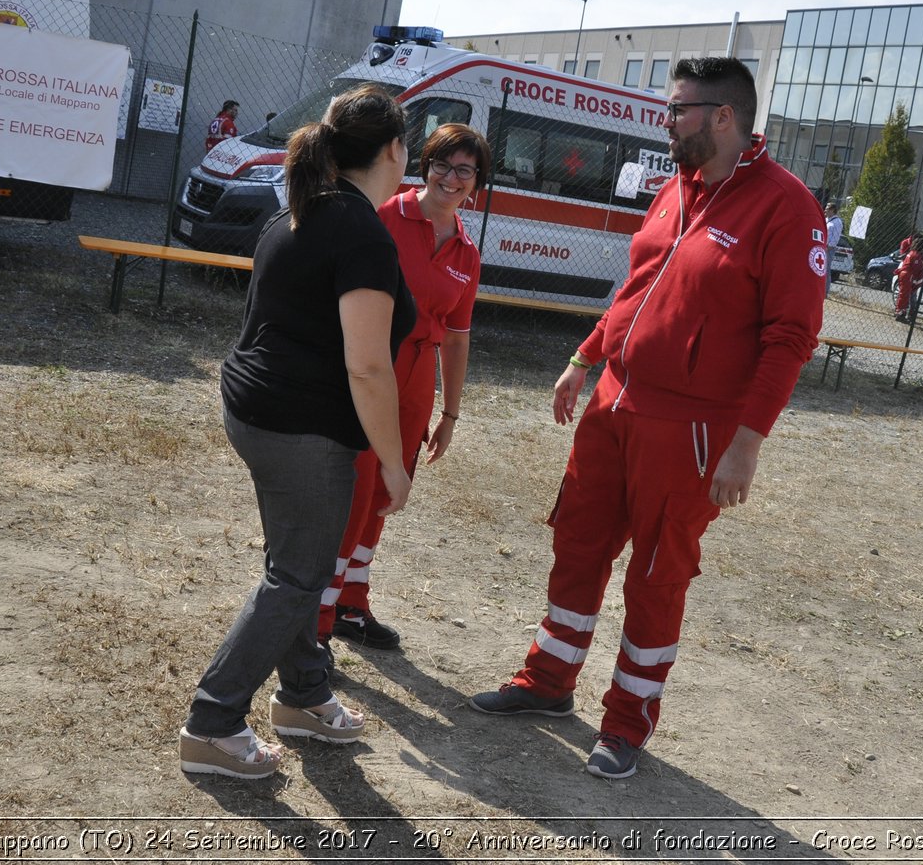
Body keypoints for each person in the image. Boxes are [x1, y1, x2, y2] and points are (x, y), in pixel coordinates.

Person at [467, 58, 825, 780]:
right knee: (578, 539)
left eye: (677, 110)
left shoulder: (786, 208)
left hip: (691, 432)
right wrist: (585, 358)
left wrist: (746, 445)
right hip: (614, 406)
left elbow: (790, 337)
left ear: (723, 117)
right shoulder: (676, 190)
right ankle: (548, 681)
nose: (665, 121)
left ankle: (626, 722)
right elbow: (638, 287)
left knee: (657, 575)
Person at [180, 85, 416, 781]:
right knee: (298, 575)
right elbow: (369, 366)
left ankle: (304, 695)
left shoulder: (301, 212)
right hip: (300, 429)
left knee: (297, 567)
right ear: (395, 150)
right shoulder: (361, 230)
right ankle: (213, 722)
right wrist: (395, 464)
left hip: (258, 412)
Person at [318, 124, 490, 650]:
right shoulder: (384, 215)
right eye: (442, 164)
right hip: (374, 364)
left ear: (476, 182)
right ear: (424, 166)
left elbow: (457, 340)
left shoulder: (466, 250)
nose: (451, 177)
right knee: (357, 490)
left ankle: (352, 603)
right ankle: (317, 624)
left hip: (417, 379)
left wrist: (451, 413)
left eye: (464, 169)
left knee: (388, 494)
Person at [894, 236, 923, 322]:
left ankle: (899, 311)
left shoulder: (912, 253)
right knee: (905, 295)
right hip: (907, 276)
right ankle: (901, 314)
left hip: (904, 274)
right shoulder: (916, 255)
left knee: (903, 294)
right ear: (921, 246)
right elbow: (916, 270)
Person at [823, 201, 844, 292]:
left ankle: (825, 291)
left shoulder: (837, 222)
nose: (825, 210)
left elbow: (835, 239)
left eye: (827, 209)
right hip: (822, 247)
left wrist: (827, 248)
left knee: (826, 270)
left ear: (832, 210)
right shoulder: (826, 220)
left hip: (828, 249)